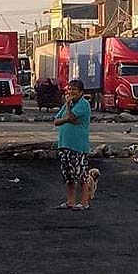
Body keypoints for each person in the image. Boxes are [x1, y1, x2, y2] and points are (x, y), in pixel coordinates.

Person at [54, 79, 93, 210]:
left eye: (74, 90)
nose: (71, 92)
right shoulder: (67, 105)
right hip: (64, 144)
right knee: (69, 176)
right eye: (69, 89)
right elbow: (56, 121)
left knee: (81, 175)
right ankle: (70, 201)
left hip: (78, 146)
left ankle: (84, 202)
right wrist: (67, 118)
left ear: (81, 92)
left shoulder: (84, 104)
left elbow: (71, 118)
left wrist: (67, 109)